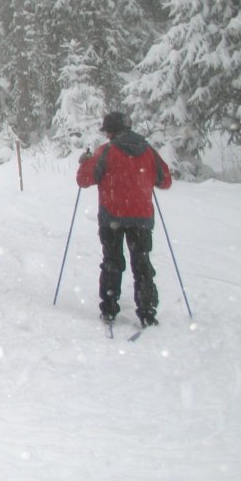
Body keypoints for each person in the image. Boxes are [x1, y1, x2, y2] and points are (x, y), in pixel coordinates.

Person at [76, 111, 172, 327]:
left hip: (112, 218)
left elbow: (84, 180)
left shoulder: (106, 151)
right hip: (141, 218)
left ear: (111, 131)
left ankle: (109, 309)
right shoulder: (147, 150)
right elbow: (165, 180)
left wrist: (84, 162)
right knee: (142, 265)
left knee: (112, 262)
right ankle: (147, 312)